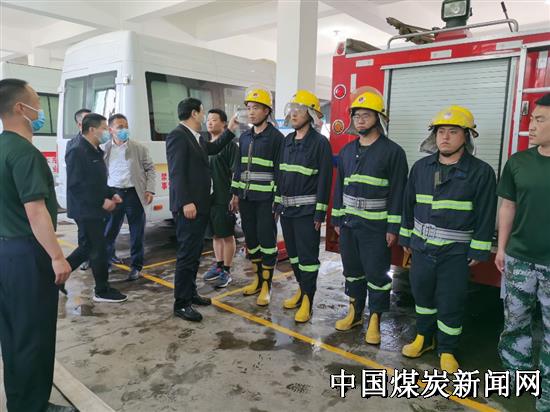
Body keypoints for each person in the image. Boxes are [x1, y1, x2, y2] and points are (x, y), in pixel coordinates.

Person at [399, 105, 497, 373]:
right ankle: (424, 338)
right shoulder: (420, 168)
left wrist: (479, 249)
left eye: (453, 132)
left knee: (451, 300)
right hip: (421, 248)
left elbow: (486, 213)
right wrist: (406, 236)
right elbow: (408, 205)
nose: (445, 137)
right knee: (422, 295)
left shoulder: (481, 172)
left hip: (455, 252)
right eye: (441, 131)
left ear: (466, 136)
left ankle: (447, 349)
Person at [0, 78, 74, 412]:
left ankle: (21, 402)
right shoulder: (25, 154)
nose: (40, 110)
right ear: (20, 108)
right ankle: (33, 407)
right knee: (35, 334)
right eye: (36, 103)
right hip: (27, 254)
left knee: (13, 334)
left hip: (4, 253)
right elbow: (36, 211)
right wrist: (57, 256)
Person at [331, 88, 408, 344]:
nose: (360, 120)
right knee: (352, 271)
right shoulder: (346, 151)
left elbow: (398, 192)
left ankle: (375, 318)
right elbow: (339, 188)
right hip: (349, 225)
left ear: (379, 118)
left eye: (366, 115)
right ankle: (354, 313)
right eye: (357, 115)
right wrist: (337, 220)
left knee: (377, 274)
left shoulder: (393, 152)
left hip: (376, 227)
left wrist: (393, 227)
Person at [496, 93, 550, 412]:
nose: (531, 126)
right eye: (532, 119)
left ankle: (547, 393)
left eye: (540, 120)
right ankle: (516, 376)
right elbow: (508, 206)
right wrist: (502, 248)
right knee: (515, 320)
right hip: (519, 259)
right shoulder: (518, 162)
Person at [166, 97, 238, 322]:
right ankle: (181, 303)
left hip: (200, 206)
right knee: (187, 255)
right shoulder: (178, 136)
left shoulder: (197, 137)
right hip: (189, 207)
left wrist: (230, 129)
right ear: (194, 113)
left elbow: (214, 147)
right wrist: (186, 201)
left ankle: (190, 293)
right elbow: (176, 172)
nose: (205, 117)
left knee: (195, 254)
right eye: (203, 112)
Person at [273, 90, 333, 323]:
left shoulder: (320, 143)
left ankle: (308, 299)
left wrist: (320, 213)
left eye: (299, 110)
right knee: (295, 257)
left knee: (308, 259)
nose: (294, 114)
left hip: (307, 213)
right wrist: (277, 202)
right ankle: (301, 289)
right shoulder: (287, 141)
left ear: (311, 114)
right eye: (292, 110)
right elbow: (280, 174)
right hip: (287, 212)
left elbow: (325, 180)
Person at [230, 86, 284, 306]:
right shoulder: (245, 137)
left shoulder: (277, 138)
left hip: (266, 201)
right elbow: (238, 167)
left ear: (267, 111)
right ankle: (257, 280)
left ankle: (267, 286)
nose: (251, 112)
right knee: (251, 241)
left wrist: (277, 201)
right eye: (249, 108)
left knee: (267, 243)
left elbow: (280, 172)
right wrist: (235, 194)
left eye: (256, 108)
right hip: (246, 199)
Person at [65, 113, 127, 303]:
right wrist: (101, 201)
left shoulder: (95, 149)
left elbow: (97, 181)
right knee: (98, 248)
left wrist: (110, 193)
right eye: (104, 128)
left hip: (93, 207)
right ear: (92, 129)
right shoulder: (77, 150)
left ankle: (57, 275)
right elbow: (76, 185)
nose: (108, 132)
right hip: (85, 209)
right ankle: (102, 290)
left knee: (87, 247)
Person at [103, 113, 156, 281]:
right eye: (120, 127)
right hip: (113, 194)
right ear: (111, 130)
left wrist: (150, 190)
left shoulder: (138, 148)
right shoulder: (104, 149)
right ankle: (106, 262)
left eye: (126, 126)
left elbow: (150, 169)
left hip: (134, 194)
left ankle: (136, 266)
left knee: (136, 233)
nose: (124, 130)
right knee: (109, 232)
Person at [202, 109, 239, 288]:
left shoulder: (230, 146)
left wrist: (235, 195)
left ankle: (226, 270)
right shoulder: (205, 145)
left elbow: (236, 172)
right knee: (215, 234)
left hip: (224, 197)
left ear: (224, 124)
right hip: (208, 198)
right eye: (208, 119)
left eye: (214, 120)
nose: (210, 123)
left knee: (227, 235)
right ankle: (218, 265)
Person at [67, 108, 92, 271]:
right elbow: (77, 179)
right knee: (85, 236)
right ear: (79, 124)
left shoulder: (96, 142)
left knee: (96, 237)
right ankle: (69, 266)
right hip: (82, 202)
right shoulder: (74, 145)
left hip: (95, 201)